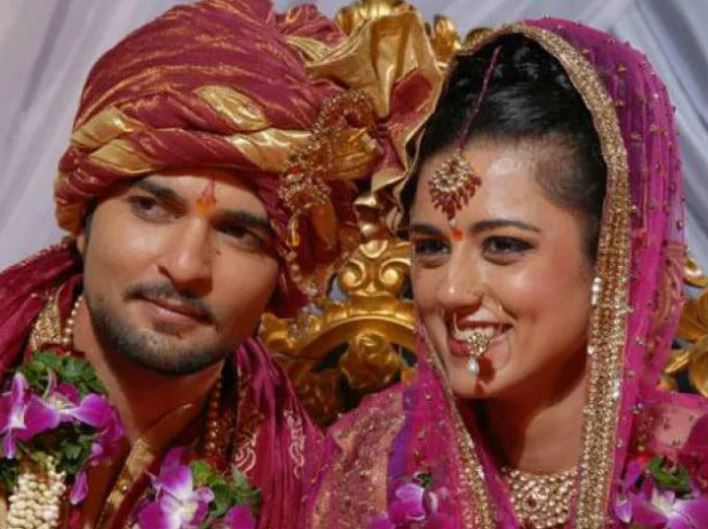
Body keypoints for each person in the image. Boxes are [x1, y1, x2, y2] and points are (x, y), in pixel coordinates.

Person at [0, 1, 441, 527]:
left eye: (239, 233)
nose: (187, 266)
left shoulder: (306, 491)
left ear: (285, 276)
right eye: (151, 208)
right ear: (83, 219)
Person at [306, 18, 708, 529]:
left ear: (616, 260)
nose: (451, 291)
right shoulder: (366, 465)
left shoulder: (695, 467)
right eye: (431, 248)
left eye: (503, 246)